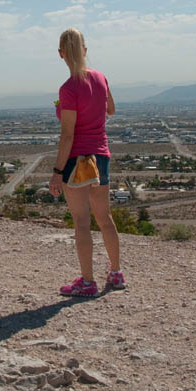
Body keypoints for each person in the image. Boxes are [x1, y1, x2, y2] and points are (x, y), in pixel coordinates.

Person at [48, 28, 125, 297]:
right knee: (105, 219)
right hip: (101, 156)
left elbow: (68, 134)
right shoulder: (101, 77)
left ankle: (88, 282)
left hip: (77, 160)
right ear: (85, 50)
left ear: (60, 54)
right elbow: (111, 110)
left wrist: (57, 172)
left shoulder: (68, 89)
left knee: (82, 222)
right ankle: (116, 274)